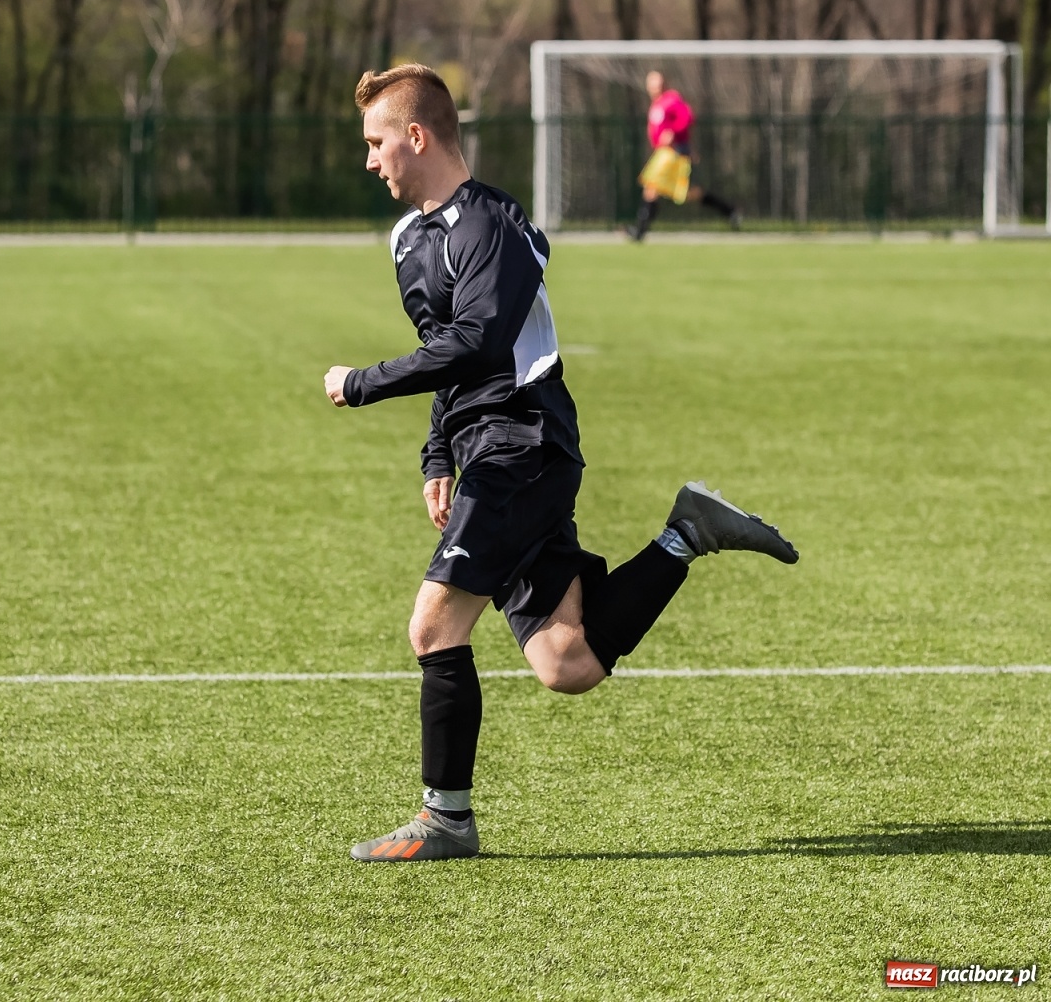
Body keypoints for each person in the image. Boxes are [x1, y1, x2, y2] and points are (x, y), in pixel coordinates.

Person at [324, 63, 797, 863]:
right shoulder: (408, 243)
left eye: (377, 143)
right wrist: (438, 452)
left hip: (525, 445)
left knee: (434, 626)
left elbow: (479, 342)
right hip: (484, 452)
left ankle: (446, 822)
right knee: (566, 661)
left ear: (417, 136)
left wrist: (360, 384)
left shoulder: (495, 225)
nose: (370, 162)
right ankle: (686, 533)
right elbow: (447, 357)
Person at [630, 70, 741, 241]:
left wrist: (673, 132)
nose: (654, 87)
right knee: (680, 192)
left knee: (657, 188)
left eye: (657, 83)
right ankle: (729, 210)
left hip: (673, 152)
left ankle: (640, 231)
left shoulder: (671, 100)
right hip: (663, 153)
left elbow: (687, 116)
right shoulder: (657, 103)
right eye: (651, 84)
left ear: (664, 83)